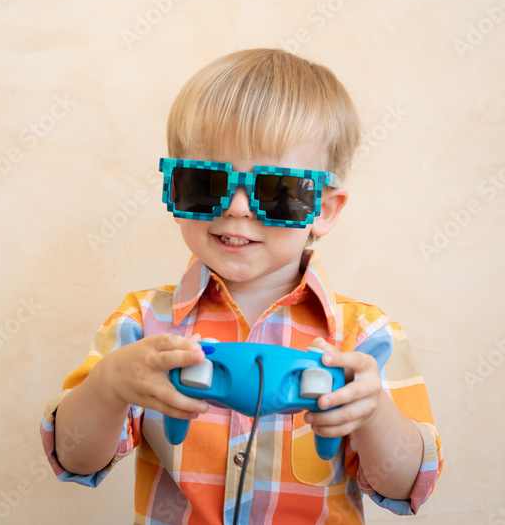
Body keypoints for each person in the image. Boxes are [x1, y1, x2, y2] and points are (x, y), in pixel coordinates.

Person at [40, 48, 442, 523]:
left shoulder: (364, 338)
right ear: (174, 188)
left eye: (275, 191)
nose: (236, 207)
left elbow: (407, 487)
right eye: (207, 182)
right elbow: (73, 460)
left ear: (325, 210)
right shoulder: (143, 323)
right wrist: (108, 386)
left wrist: (373, 415)